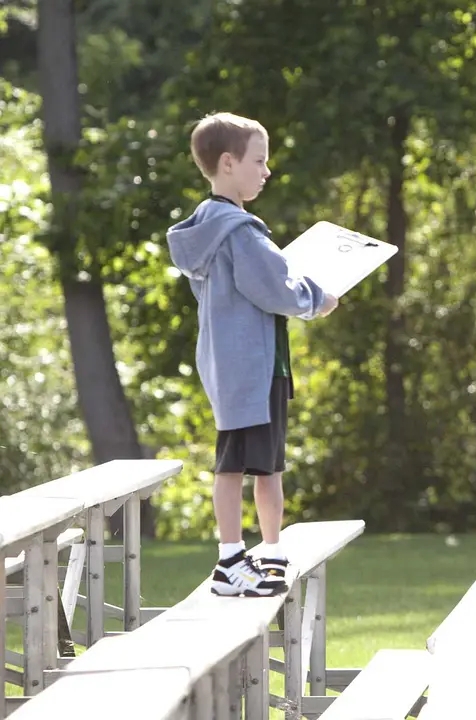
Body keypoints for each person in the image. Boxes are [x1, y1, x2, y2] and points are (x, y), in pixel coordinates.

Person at [166, 112, 338, 597]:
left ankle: (271, 552)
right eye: (259, 161)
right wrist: (316, 298)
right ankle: (229, 562)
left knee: (267, 464)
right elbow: (273, 287)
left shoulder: (217, 228)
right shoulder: (237, 231)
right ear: (227, 163)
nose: (266, 171)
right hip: (249, 370)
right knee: (234, 465)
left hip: (258, 365)